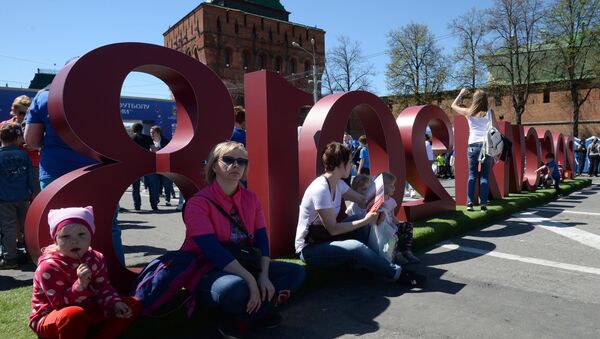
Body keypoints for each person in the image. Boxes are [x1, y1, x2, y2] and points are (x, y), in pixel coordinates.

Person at [182, 141, 305, 338]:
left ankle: (241, 319)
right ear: (214, 165)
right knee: (234, 288)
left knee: (295, 272)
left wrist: (263, 275)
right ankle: (254, 315)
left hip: (246, 262)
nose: (236, 165)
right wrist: (250, 279)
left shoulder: (251, 198)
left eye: (241, 161)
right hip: (208, 268)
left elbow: (262, 240)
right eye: (228, 160)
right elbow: (211, 250)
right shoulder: (198, 203)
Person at [295, 142, 425, 288]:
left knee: (359, 221)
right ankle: (398, 274)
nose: (352, 166)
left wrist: (381, 194)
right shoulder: (321, 189)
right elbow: (333, 229)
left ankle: (362, 266)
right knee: (356, 245)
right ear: (341, 164)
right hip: (310, 248)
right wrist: (365, 220)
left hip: (327, 238)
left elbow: (363, 201)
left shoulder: (337, 183)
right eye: (350, 162)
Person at [24, 86, 125, 265]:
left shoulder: (45, 97)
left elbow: (31, 141)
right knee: (107, 227)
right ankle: (114, 279)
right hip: (98, 172)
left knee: (60, 228)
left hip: (55, 173)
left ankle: (63, 281)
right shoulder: (101, 96)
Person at [29, 206, 141, 338]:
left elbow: (103, 287)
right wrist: (80, 285)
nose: (74, 241)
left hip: (89, 308)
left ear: (91, 235)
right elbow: (58, 303)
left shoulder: (96, 258)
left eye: (81, 234)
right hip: (53, 315)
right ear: (56, 240)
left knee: (132, 304)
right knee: (73, 315)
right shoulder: (48, 266)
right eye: (66, 236)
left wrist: (115, 303)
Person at [451, 88, 495, 211]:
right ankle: (484, 204)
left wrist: (460, 94)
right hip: (486, 146)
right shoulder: (490, 112)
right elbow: (495, 130)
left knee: (472, 176)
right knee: (485, 176)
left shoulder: (468, 112)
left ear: (475, 100)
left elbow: (453, 105)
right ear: (485, 100)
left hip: (472, 145)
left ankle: (469, 203)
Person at [0, 124, 35, 269]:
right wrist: (31, 191)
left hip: (4, 199)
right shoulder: (24, 154)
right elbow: (30, 176)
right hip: (23, 196)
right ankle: (31, 254)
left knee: (7, 227)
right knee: (26, 226)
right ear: (18, 138)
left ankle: (10, 258)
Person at [379, 172, 419, 265]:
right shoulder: (377, 200)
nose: (394, 188)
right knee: (393, 235)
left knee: (408, 225)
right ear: (382, 186)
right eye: (390, 185)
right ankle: (396, 254)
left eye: (394, 185)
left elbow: (392, 217)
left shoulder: (392, 201)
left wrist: (399, 223)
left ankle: (407, 250)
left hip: (391, 227)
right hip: (383, 230)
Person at [130, 122, 159, 211]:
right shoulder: (147, 138)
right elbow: (154, 150)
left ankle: (137, 205)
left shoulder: (131, 138)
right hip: (147, 164)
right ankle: (154, 205)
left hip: (134, 165)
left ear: (133, 129)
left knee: (136, 186)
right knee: (152, 185)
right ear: (141, 129)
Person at [150, 125, 174, 206]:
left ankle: (168, 200)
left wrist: (159, 150)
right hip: (154, 167)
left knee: (166, 184)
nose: (151, 134)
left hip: (165, 166)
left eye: (153, 132)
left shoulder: (166, 141)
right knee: (155, 184)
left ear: (158, 132)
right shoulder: (150, 142)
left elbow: (170, 152)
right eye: (150, 132)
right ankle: (156, 199)